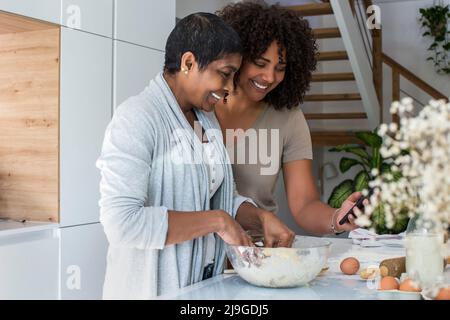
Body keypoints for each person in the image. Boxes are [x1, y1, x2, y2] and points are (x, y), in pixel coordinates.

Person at [96, 12, 280, 299]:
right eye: (224, 74)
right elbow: (122, 223)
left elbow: (214, 196)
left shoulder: (205, 120)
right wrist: (218, 221)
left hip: (200, 292)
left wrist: (258, 217)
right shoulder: (137, 118)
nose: (230, 88)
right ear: (188, 63)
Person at [215, 1, 367, 239]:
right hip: (194, 255)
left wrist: (336, 218)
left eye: (280, 67)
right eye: (260, 63)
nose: (270, 77)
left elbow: (305, 204)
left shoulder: (288, 119)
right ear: (238, 57)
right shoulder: (201, 104)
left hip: (254, 253)